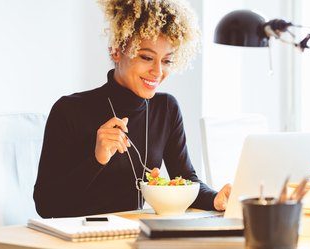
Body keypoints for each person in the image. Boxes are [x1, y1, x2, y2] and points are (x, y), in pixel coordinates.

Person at [33, 0, 231, 218]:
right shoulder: (69, 110)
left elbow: (186, 179)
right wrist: (97, 159)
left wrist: (215, 199)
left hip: (134, 235)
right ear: (116, 50)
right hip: (80, 237)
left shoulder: (166, 109)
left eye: (166, 61)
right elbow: (46, 205)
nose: (157, 72)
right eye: (146, 57)